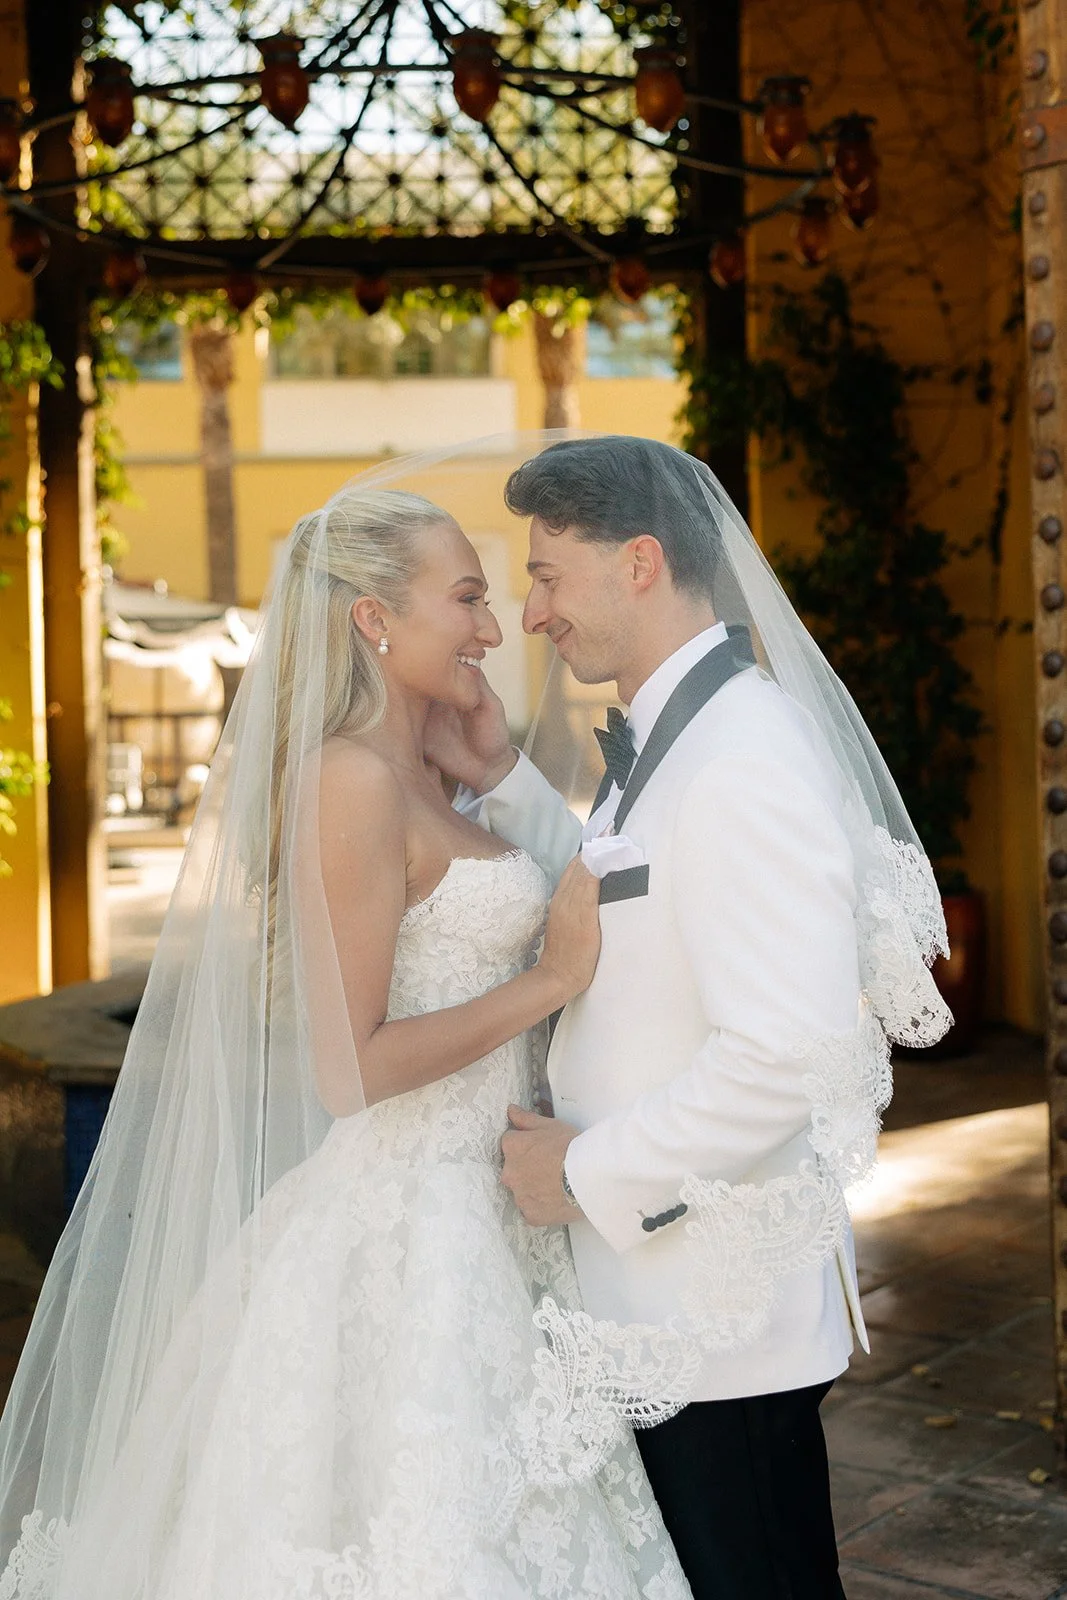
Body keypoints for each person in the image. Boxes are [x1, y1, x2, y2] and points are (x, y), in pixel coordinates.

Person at [0, 483, 693, 1598]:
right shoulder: (345, 779)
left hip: (494, 1208)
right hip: (409, 1228)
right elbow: (351, 1066)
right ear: (372, 617)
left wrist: (494, 769)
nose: (488, 625)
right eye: (464, 597)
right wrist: (551, 979)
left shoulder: (423, 767)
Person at [431, 435, 953, 1600]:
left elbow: (789, 1053)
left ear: (639, 563)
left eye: (548, 575)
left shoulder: (743, 754)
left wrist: (587, 1167)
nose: (529, 614)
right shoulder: (676, 732)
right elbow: (630, 887)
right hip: (662, 1308)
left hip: (712, 1324)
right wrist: (507, 779)